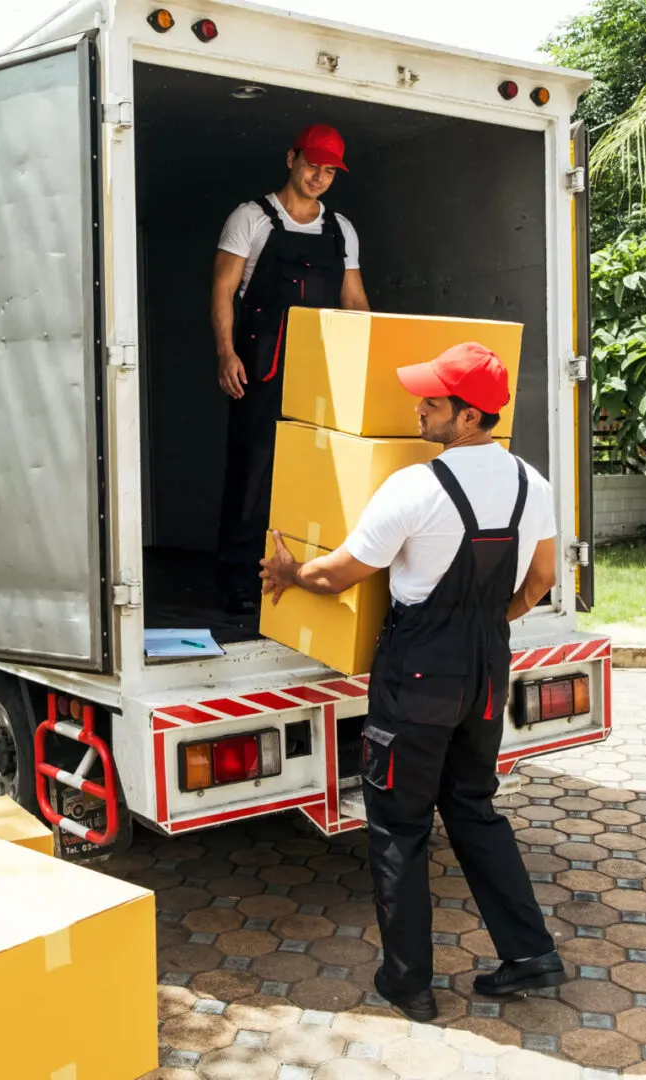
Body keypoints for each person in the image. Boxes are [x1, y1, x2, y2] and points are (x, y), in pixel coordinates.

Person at [259, 342, 565, 1021]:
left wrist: (287, 575)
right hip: (485, 670)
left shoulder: (416, 487)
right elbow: (540, 581)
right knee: (474, 808)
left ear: (467, 414)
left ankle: (410, 982)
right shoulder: (531, 484)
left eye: (431, 399)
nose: (418, 406)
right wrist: (485, 622)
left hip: (418, 677)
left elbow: (338, 573)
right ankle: (531, 953)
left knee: (399, 827)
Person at [212, 123, 370, 615]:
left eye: (329, 171)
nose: (319, 177)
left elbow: (353, 299)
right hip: (260, 368)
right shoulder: (251, 218)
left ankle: (308, 578)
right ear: (291, 158)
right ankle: (239, 580)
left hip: (320, 373)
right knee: (253, 474)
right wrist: (225, 353)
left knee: (315, 476)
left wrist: (370, 360)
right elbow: (222, 290)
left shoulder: (341, 228)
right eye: (312, 165)